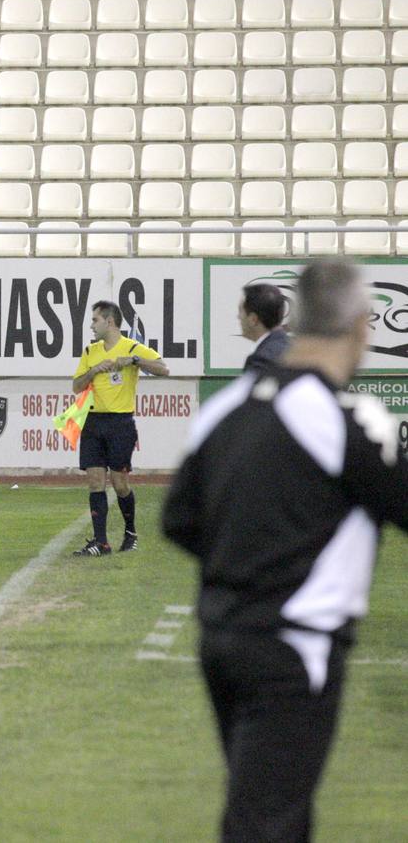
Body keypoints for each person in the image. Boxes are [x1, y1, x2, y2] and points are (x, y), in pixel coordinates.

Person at [162, 259, 405, 843]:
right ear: (361, 326)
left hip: (221, 637)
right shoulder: (347, 417)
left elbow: (178, 520)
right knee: (265, 821)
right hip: (295, 644)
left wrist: (245, 569)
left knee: (277, 810)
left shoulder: (227, 405)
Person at [70, 301, 169, 556]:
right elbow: (77, 386)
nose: (92, 325)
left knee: (120, 483)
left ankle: (130, 533)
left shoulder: (131, 347)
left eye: (95, 320)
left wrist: (134, 361)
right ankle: (101, 543)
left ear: (109, 322)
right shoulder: (90, 352)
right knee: (95, 481)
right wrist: (93, 371)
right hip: (93, 422)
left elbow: (163, 369)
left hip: (120, 424)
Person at [239, 283, 291, 373]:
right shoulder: (294, 349)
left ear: (253, 319)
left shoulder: (261, 360)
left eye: (241, 312)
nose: (238, 317)